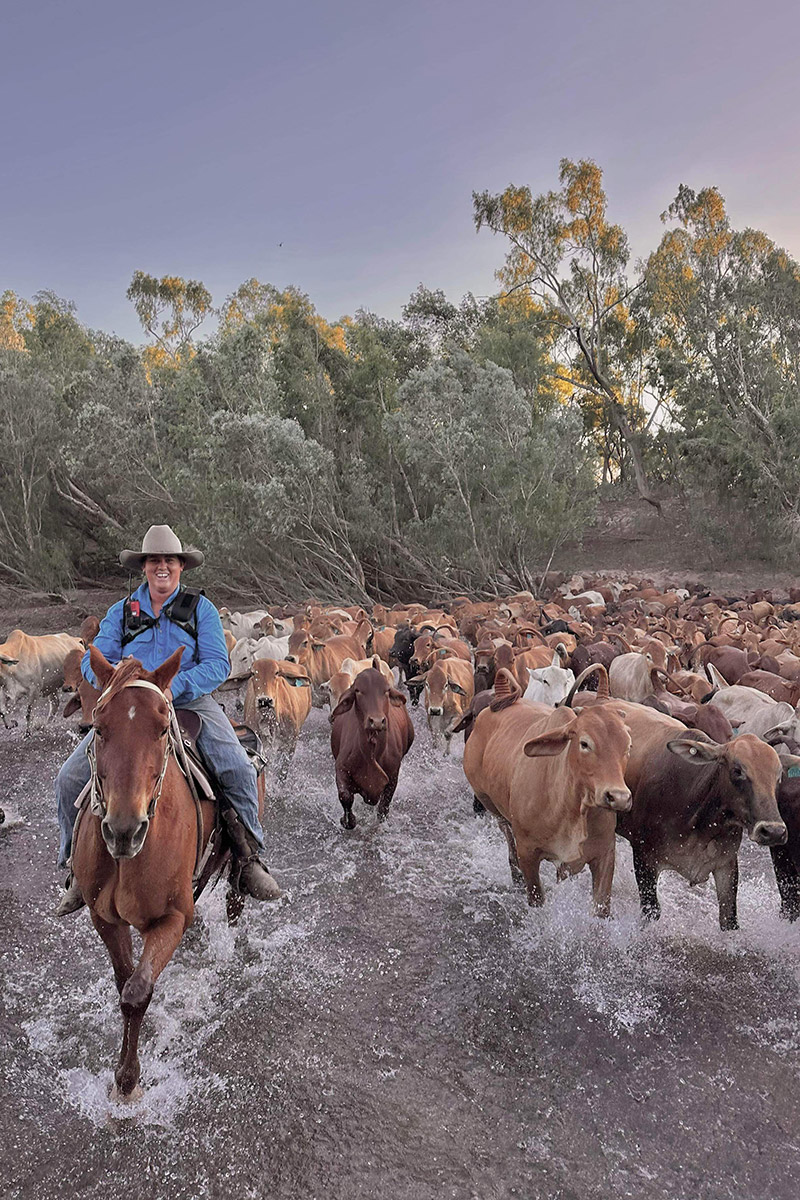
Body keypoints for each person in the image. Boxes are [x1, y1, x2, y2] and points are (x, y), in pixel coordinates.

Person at [55, 524, 282, 915]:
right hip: (131, 711)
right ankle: (74, 868)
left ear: (181, 567)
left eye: (169, 561)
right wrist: (117, 684)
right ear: (144, 567)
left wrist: (173, 688)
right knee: (68, 779)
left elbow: (217, 664)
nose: (162, 567)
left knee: (237, 768)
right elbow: (97, 662)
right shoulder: (122, 613)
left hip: (189, 703)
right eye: (154, 561)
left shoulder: (200, 610)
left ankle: (249, 858)